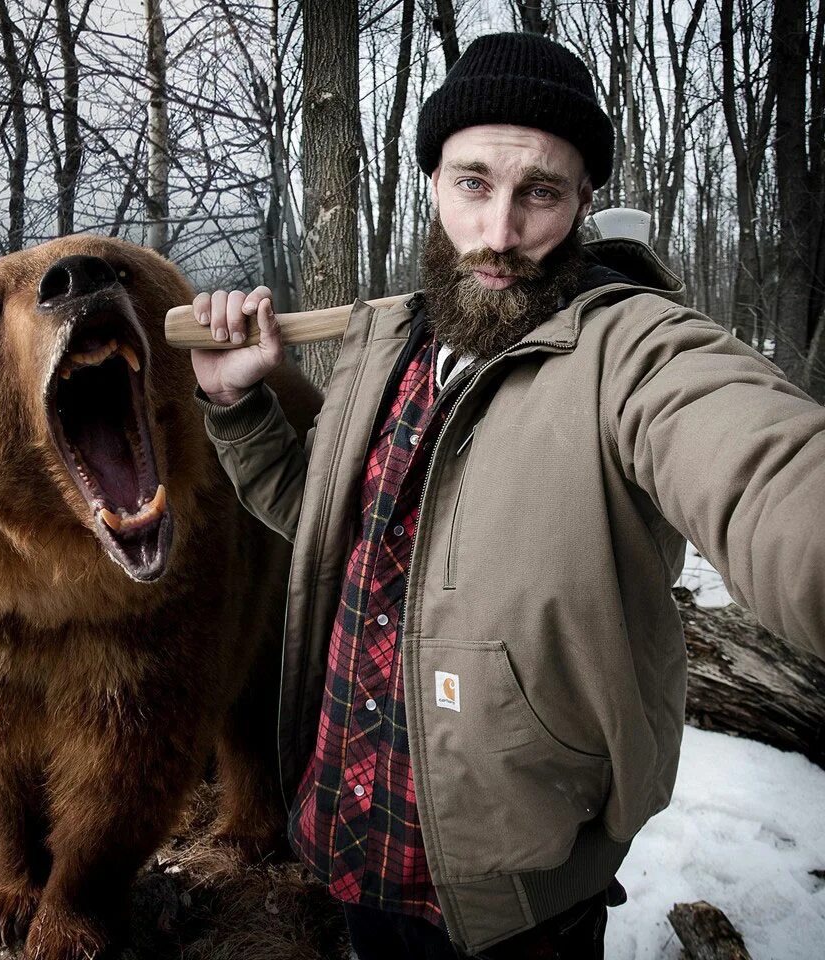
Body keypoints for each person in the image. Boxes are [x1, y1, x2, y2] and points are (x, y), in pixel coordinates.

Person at [188, 32, 825, 960]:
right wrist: (234, 404)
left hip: (511, 895)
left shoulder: (633, 351)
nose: (498, 233)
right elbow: (340, 530)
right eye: (474, 183)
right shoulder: (390, 341)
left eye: (541, 192)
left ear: (582, 205)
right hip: (350, 828)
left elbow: (767, 473)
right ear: (433, 183)